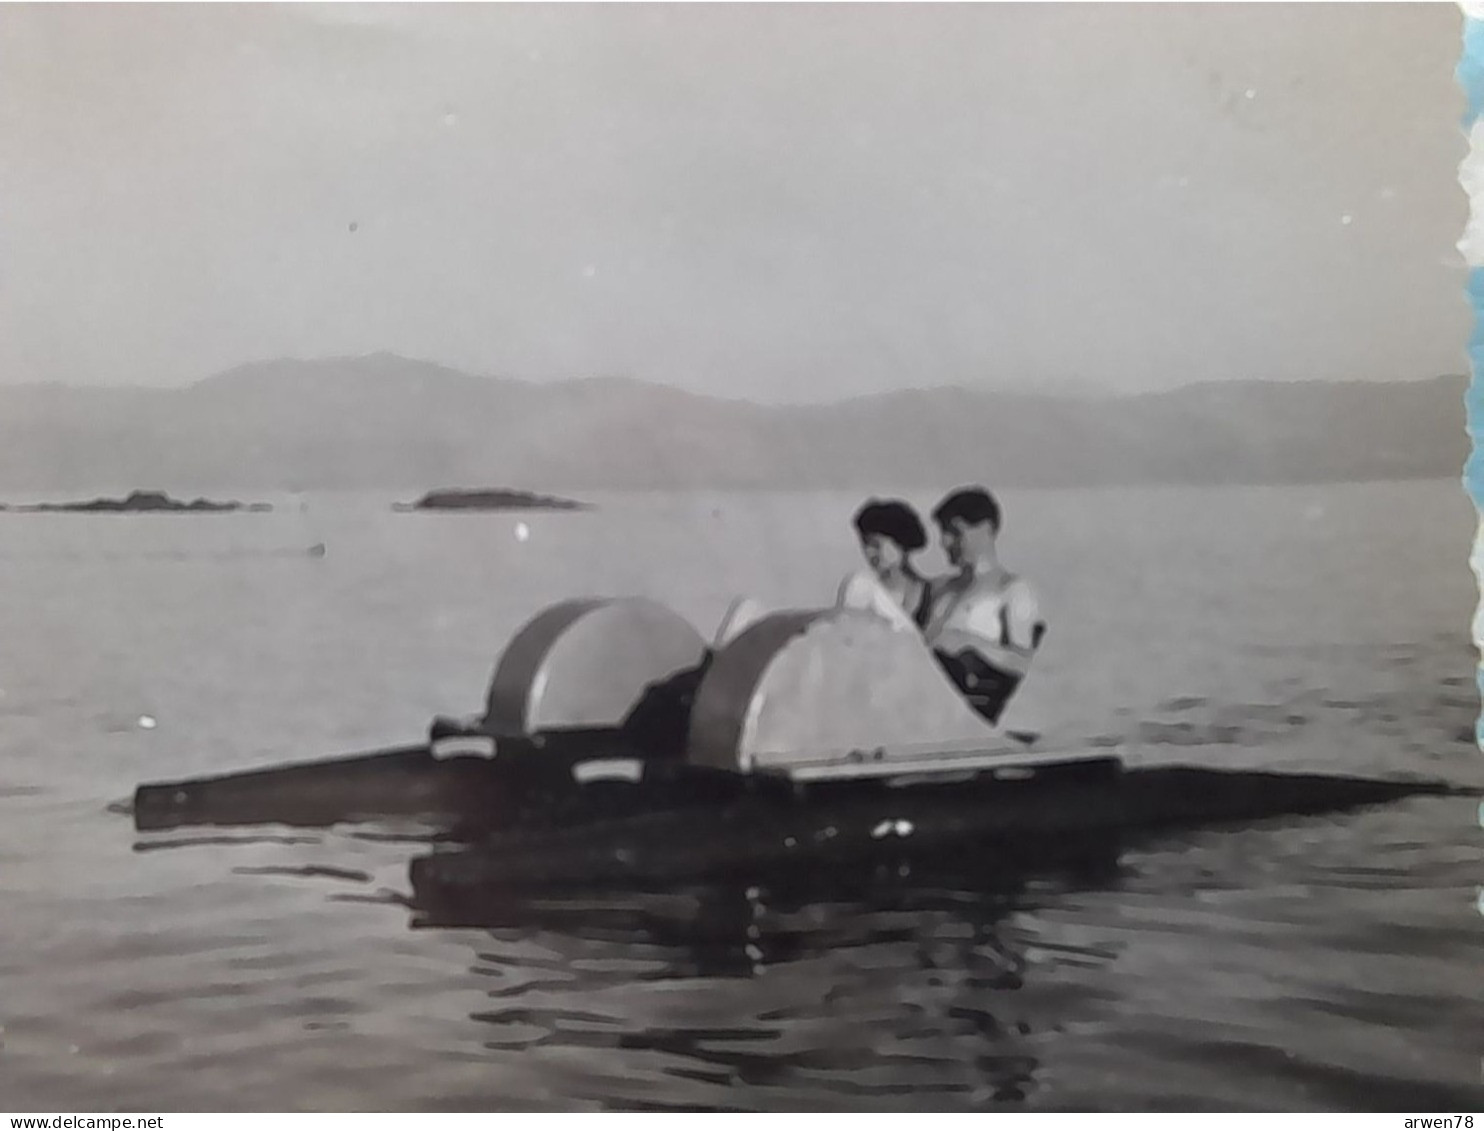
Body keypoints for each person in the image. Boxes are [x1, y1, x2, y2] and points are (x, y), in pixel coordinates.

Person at [922, 486, 1044, 724]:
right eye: (944, 533)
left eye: (955, 532)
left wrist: (970, 643)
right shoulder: (942, 589)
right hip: (928, 698)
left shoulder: (1012, 590)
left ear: (986, 529)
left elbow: (1025, 664)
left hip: (973, 702)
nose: (945, 542)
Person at [843, 498, 935, 629]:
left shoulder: (931, 594)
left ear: (901, 543)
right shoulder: (862, 589)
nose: (869, 553)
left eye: (876, 544)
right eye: (865, 545)